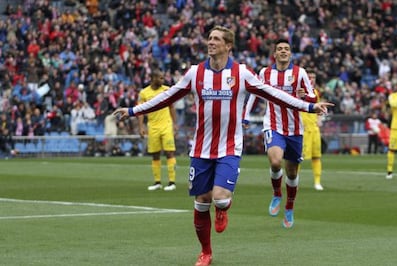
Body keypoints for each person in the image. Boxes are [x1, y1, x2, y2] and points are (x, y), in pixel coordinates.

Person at [113, 26, 332, 266]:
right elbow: (167, 97)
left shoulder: (242, 73)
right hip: (201, 149)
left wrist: (309, 106)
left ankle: (224, 207)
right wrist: (133, 111)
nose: (211, 42)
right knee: (201, 201)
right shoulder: (195, 73)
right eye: (209, 38)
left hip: (229, 147)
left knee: (219, 198)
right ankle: (205, 252)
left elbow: (274, 94)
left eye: (216, 39)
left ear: (228, 45)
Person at [243, 39, 317, 228]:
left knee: (292, 172)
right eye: (280, 49)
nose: (283, 51)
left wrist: (305, 97)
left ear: (290, 53)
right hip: (273, 125)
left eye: (286, 49)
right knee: (275, 161)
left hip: (295, 129)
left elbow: (313, 97)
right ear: (274, 54)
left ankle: (289, 206)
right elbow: (254, 93)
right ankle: (277, 194)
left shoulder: (299, 73)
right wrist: (245, 116)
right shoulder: (265, 73)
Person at [138, 69, 178, 191]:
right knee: (155, 155)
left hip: (166, 125)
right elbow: (140, 111)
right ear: (153, 78)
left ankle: (172, 182)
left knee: (169, 152)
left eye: (163, 78)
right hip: (153, 127)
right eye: (160, 78)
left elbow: (171, 107)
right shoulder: (144, 93)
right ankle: (157, 182)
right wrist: (141, 126)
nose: (163, 80)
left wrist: (175, 124)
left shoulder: (167, 90)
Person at [300, 70, 324, 190]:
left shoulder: (315, 93)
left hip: (314, 129)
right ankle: (294, 181)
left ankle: (317, 182)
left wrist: (319, 118)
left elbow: (318, 108)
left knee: (316, 156)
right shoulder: (299, 92)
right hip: (303, 130)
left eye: (314, 77)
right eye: (309, 77)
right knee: (298, 158)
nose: (312, 79)